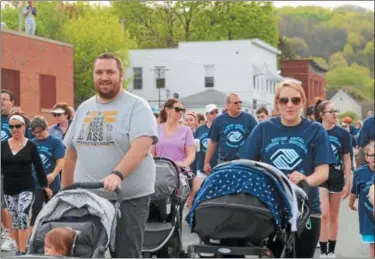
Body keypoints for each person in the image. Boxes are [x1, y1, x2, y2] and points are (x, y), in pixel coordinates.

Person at [61, 53, 158, 258]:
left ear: (121, 75)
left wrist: (117, 174)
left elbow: (141, 147)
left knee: (125, 254)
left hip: (128, 201)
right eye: (99, 72)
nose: (104, 77)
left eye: (110, 72)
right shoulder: (84, 109)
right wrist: (65, 193)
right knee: (83, 252)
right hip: (87, 200)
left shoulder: (137, 106)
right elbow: (71, 154)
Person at [239, 80, 336, 258]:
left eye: (295, 100)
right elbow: (246, 166)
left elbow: (323, 171)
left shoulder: (315, 130)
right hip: (269, 209)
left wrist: (306, 180)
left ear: (302, 102)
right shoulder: (263, 129)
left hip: (305, 209)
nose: (290, 105)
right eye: (284, 100)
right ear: (277, 103)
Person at [1, 114, 52, 255]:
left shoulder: (31, 145)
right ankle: (19, 249)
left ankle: (22, 252)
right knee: (15, 218)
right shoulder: (3, 145)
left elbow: (39, 167)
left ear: (24, 127)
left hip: (26, 187)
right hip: (9, 187)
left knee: (22, 215)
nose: (14, 129)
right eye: (11, 126)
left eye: (17, 126)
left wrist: (45, 186)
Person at [314, 99, 352, 258]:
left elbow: (347, 158)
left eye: (336, 111)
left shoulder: (342, 133)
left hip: (337, 175)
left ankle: (331, 250)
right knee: (324, 213)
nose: (335, 115)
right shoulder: (315, 131)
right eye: (331, 112)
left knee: (334, 214)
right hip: (321, 174)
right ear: (322, 114)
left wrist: (348, 181)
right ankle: (322, 251)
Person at [204, 93, 257, 173]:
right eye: (235, 103)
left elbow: (257, 140)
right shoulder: (219, 120)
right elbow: (213, 142)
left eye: (240, 102)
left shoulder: (249, 119)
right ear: (228, 105)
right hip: (225, 162)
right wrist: (206, 162)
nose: (239, 105)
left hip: (244, 162)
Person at [29, 116, 65, 233]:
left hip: (52, 183)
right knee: (35, 211)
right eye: (35, 132)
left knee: (52, 212)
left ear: (46, 128)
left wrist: (53, 174)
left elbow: (61, 161)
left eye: (40, 132)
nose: (38, 135)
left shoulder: (56, 142)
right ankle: (32, 237)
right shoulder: (31, 143)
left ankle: (51, 236)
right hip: (36, 184)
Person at [186, 104, 219, 207]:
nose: (214, 115)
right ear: (207, 115)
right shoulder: (200, 129)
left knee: (216, 193)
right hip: (201, 167)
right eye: (212, 113)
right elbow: (194, 146)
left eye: (216, 112)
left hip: (217, 165)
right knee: (196, 190)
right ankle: (189, 213)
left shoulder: (220, 128)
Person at [152, 99, 195, 169]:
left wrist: (184, 164)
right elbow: (151, 154)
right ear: (167, 110)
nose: (180, 112)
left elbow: (191, 153)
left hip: (180, 172)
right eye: (177, 109)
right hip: (160, 170)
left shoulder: (186, 130)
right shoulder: (156, 129)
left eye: (182, 110)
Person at [349, 141, 375, 258]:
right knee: (373, 245)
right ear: (366, 157)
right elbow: (354, 192)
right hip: (368, 217)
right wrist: (350, 204)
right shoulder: (360, 172)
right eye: (372, 155)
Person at [0, 89, 17, 252]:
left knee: (5, 204)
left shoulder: (16, 120)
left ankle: (11, 237)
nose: (2, 102)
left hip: (9, 168)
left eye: (5, 99)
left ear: (12, 102)